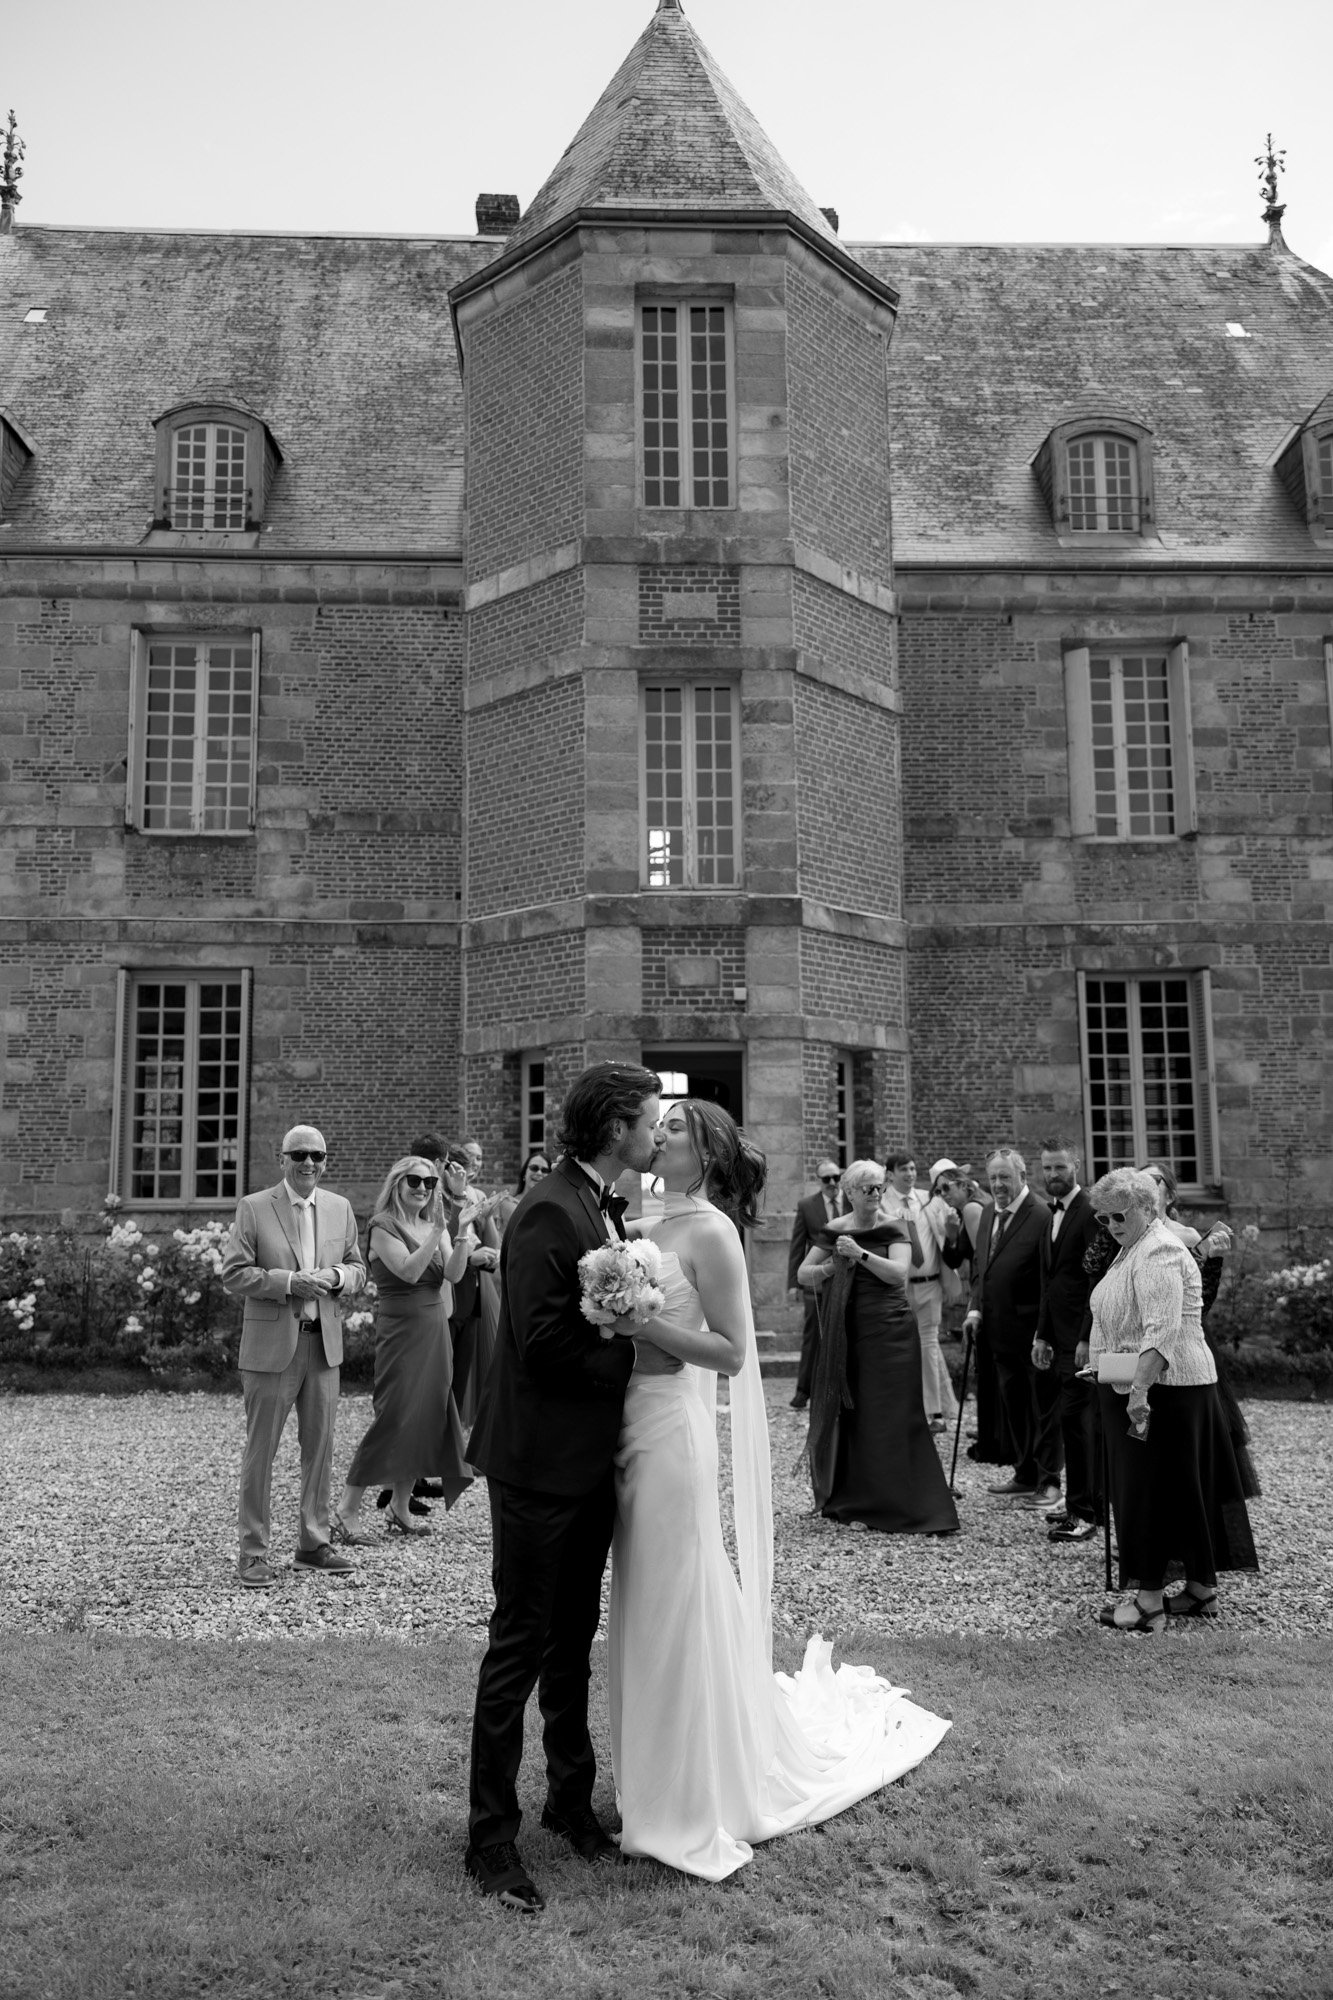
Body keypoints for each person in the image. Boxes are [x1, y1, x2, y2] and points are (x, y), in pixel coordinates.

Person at [609, 1102, 951, 1879]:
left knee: (675, 1597)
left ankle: (692, 1795)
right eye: (655, 1127)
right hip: (623, 1423)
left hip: (672, 1433)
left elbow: (730, 1354)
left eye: (674, 1131)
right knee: (642, 1604)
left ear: (708, 1155)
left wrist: (638, 1324)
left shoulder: (710, 1232)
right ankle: (649, 1778)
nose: (655, 1137)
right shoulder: (633, 1216)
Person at [463, 1062, 668, 1914]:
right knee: (519, 1646)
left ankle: (570, 1804)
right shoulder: (550, 1207)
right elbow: (542, 1344)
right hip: (538, 1466)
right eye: (650, 1120)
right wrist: (637, 1352)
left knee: (572, 1640)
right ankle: (489, 1841)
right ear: (616, 1125)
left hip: (584, 1464)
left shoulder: (598, 1203)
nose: (657, 1134)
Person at [1087, 1168, 1258, 1631]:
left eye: (1118, 1215)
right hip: (1164, 1389)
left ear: (1146, 1206)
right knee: (1182, 1494)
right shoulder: (1133, 1246)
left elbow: (1161, 1334)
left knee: (1149, 1496)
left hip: (1165, 1393)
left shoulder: (1159, 1250)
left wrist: (1138, 1396)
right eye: (1102, 1219)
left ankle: (1149, 1605)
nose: (1111, 1226)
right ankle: (1200, 1591)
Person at [221, 1123, 367, 1590]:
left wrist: (340, 1277)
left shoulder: (340, 1208)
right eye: (299, 1154)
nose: (309, 1163)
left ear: (326, 1161)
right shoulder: (254, 1207)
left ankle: (313, 1543)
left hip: (323, 1344)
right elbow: (234, 1274)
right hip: (271, 1347)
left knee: (320, 1448)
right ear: (280, 1158)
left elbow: (360, 1268)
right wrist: (288, 1282)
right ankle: (253, 1552)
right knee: (261, 1452)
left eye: (317, 1156)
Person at [797, 1161, 959, 1535]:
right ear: (849, 1192)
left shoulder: (895, 1224)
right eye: (866, 1188)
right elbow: (804, 1274)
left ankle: (905, 1500)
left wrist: (860, 1255)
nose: (874, 1194)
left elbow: (898, 1274)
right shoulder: (835, 1229)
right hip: (850, 1330)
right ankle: (860, 1496)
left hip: (891, 1331)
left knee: (895, 1413)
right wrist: (830, 1269)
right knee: (858, 1413)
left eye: (878, 1188)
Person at [332, 1156, 473, 1543]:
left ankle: (400, 1505)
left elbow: (455, 1274)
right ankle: (346, 1509)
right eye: (414, 1180)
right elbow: (410, 1271)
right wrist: (438, 1233)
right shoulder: (382, 1226)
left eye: (429, 1182)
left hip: (434, 1330)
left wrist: (460, 1231)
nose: (422, 1188)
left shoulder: (433, 1224)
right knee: (394, 1415)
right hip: (402, 1331)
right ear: (397, 1183)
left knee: (428, 1414)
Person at [1139, 1159, 1258, 1498]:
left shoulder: (1186, 1236)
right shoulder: (1126, 1233)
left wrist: (1214, 1259)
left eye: (1155, 1181)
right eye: (1140, 1181)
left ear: (1170, 1194)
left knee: (1189, 1441)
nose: (1147, 1187)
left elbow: (1201, 1300)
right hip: (1143, 1341)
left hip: (1184, 1344)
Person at [958, 1149, 1055, 1505]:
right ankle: (1025, 1473)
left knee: (1041, 1410)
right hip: (998, 1334)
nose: (998, 1184)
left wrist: (1044, 1332)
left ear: (1022, 1177)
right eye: (993, 1178)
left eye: (1005, 1177)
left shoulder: (1041, 1215)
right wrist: (974, 1311)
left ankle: (1049, 1482)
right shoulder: (987, 1214)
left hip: (1033, 1335)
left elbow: (1050, 1279)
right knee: (1014, 1408)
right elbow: (981, 1270)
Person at [1033, 1141, 1103, 1543]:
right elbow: (1051, 1281)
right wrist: (1042, 1334)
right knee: (1070, 1422)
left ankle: (1086, 1513)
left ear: (1076, 1165)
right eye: (1047, 1168)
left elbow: (1095, 1279)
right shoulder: (1051, 1214)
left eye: (1060, 1167)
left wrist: (1086, 1338)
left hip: (1081, 1340)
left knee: (1078, 1424)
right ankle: (1078, 1504)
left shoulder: (1090, 1211)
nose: (1053, 1175)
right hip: (1057, 1338)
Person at [886, 1152, 958, 1432]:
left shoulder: (929, 1200)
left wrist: (952, 1231)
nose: (910, 1173)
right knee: (900, 1348)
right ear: (890, 1173)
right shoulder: (882, 1201)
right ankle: (903, 1407)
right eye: (904, 1169)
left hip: (929, 1285)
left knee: (928, 1345)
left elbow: (947, 1234)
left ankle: (935, 1413)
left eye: (914, 1168)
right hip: (898, 1289)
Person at [785, 1159, 844, 1411]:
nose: (832, 1183)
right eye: (826, 1179)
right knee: (813, 1337)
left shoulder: (853, 1202)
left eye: (835, 1177)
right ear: (818, 1181)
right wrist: (793, 1284)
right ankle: (803, 1391)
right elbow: (798, 1245)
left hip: (848, 1281)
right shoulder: (807, 1206)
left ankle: (842, 1389)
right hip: (817, 1283)